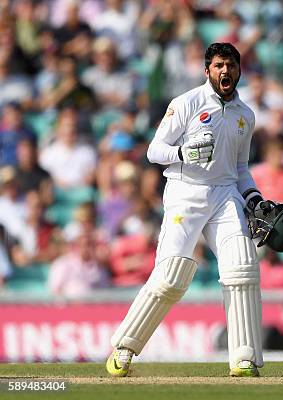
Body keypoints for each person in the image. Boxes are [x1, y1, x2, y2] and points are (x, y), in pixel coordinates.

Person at [106, 43, 274, 378]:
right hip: (186, 194)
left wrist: (254, 198)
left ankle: (244, 358)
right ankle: (124, 348)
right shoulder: (186, 103)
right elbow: (154, 151)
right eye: (218, 65)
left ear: (239, 70)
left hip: (226, 195)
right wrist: (183, 153)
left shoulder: (245, 115)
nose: (225, 71)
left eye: (230, 65)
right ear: (207, 70)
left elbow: (240, 167)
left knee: (242, 266)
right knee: (171, 276)